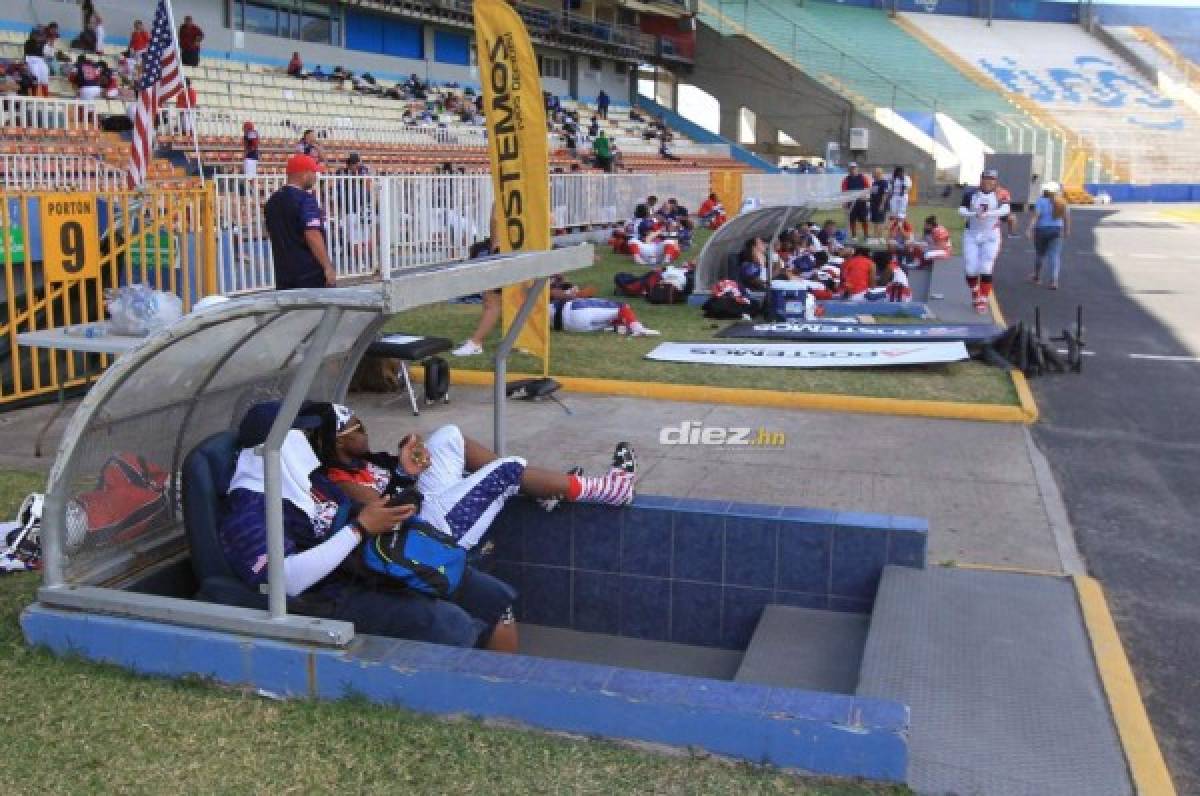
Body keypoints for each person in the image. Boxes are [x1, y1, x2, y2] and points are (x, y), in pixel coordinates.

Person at [217, 402, 518, 651]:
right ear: (275, 447)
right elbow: (285, 581)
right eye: (301, 433)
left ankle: (513, 695)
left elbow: (359, 511)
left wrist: (402, 477)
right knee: (449, 623)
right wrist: (358, 530)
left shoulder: (305, 482)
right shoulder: (249, 509)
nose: (309, 441)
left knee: (490, 596)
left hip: (373, 565)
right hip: (332, 595)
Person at [264, 154, 336, 289]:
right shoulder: (305, 200)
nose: (316, 177)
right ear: (304, 174)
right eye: (314, 172)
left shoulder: (272, 201)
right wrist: (327, 267)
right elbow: (312, 234)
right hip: (310, 275)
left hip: (283, 275)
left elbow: (269, 232)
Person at [958, 168, 1010, 313]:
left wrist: (988, 214)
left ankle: (983, 299)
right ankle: (975, 292)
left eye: (992, 179)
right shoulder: (971, 193)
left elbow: (1005, 210)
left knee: (986, 267)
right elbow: (961, 210)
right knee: (970, 269)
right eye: (986, 178)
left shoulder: (1001, 193)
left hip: (991, 234)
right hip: (972, 233)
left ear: (996, 181)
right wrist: (973, 213)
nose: (988, 182)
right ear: (981, 179)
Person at [1026, 181, 1070, 289]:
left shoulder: (1040, 201)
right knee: (1054, 255)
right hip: (1056, 230)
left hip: (1041, 230)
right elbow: (1066, 218)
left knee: (1040, 254)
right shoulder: (1062, 202)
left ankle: (1037, 276)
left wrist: (1029, 229)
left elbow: (1036, 216)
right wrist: (1067, 230)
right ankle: (1054, 281)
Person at [841, 162, 871, 240]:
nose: (853, 169)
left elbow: (868, 188)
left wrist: (865, 197)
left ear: (857, 169)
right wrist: (844, 202)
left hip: (861, 202)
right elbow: (844, 192)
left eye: (854, 168)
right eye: (851, 168)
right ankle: (854, 235)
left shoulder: (863, 177)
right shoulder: (846, 179)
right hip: (851, 203)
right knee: (852, 219)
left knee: (864, 219)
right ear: (849, 169)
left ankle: (866, 235)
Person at [23, 27, 49, 98]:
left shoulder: (43, 42)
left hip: (41, 60)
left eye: (39, 34)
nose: (38, 36)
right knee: (35, 78)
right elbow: (26, 55)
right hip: (31, 60)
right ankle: (34, 97)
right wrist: (26, 63)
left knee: (45, 79)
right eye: (36, 34)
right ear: (33, 35)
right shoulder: (28, 42)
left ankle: (46, 98)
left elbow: (46, 38)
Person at [868, 167, 889, 240]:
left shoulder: (884, 182)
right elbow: (873, 194)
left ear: (879, 174)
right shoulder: (874, 183)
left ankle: (880, 237)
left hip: (880, 205)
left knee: (880, 222)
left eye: (874, 173)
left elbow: (885, 194)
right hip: (873, 205)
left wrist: (882, 205)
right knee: (875, 221)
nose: (873, 175)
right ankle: (875, 237)